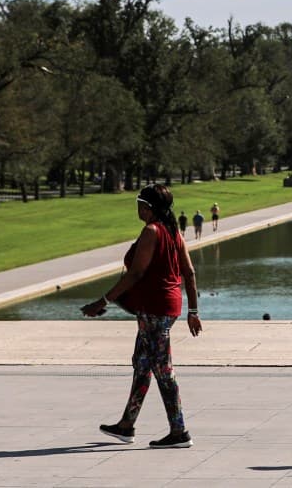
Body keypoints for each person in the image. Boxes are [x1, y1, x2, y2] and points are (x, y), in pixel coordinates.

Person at [80, 184, 202, 449]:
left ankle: (179, 431)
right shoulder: (173, 233)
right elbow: (189, 274)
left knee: (163, 370)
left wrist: (102, 301)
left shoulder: (152, 231)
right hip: (165, 308)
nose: (136, 207)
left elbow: (134, 274)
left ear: (146, 206)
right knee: (142, 365)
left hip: (155, 309)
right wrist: (193, 311)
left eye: (138, 203)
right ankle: (126, 425)